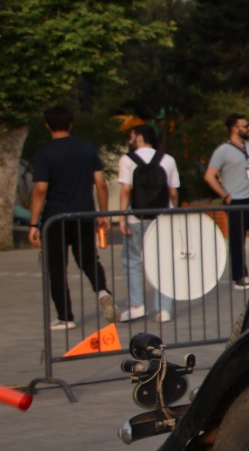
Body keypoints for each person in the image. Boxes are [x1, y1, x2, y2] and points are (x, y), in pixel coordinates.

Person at [27, 105, 115, 329]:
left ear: (47, 125)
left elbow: (40, 190)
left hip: (56, 217)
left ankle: (66, 317)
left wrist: (33, 223)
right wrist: (103, 213)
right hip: (84, 215)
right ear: (71, 124)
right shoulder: (86, 149)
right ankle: (103, 290)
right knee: (88, 260)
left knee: (57, 267)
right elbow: (101, 183)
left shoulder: (45, 153)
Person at [116, 124, 179, 323]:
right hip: (163, 218)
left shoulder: (127, 160)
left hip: (136, 217)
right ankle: (164, 310)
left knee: (133, 261)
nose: (130, 139)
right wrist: (174, 212)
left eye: (132, 135)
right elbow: (173, 193)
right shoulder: (168, 160)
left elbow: (126, 190)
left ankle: (136, 306)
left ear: (140, 137)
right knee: (163, 262)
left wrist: (122, 217)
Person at [203, 113, 249, 290]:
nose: (248, 129)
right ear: (234, 128)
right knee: (237, 240)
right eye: (245, 126)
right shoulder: (222, 151)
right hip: (237, 201)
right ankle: (240, 276)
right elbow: (209, 176)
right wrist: (226, 196)